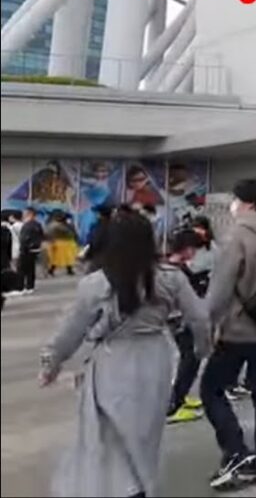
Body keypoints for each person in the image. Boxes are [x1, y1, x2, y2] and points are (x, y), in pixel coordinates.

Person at [40, 209, 210, 497]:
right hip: (156, 359)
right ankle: (143, 485)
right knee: (147, 434)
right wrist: (202, 348)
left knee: (110, 437)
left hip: (112, 362)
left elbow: (72, 330)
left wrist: (51, 363)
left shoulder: (95, 283)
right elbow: (200, 319)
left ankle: (123, 489)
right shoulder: (171, 278)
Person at [201, 178, 256, 490]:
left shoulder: (236, 236)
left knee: (210, 389)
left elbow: (219, 291)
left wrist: (206, 324)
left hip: (238, 331)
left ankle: (236, 451)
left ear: (249, 204)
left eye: (236, 199)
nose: (233, 205)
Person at [166, 228, 213, 425]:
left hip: (178, 318)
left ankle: (179, 397)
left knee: (189, 360)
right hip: (180, 319)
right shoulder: (175, 270)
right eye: (193, 248)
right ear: (185, 248)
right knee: (189, 359)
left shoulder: (174, 267)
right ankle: (174, 404)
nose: (195, 253)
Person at [18, 207, 45, 295]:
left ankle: (21, 287)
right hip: (35, 249)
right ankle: (30, 286)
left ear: (30, 214)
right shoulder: (38, 224)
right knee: (31, 269)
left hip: (26, 250)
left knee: (22, 269)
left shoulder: (27, 225)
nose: (23, 215)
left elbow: (24, 239)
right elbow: (42, 236)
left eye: (25, 213)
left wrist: (22, 249)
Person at [46, 211, 79, 277]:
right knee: (58, 259)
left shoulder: (54, 224)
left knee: (66, 258)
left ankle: (69, 270)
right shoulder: (58, 225)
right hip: (61, 243)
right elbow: (70, 233)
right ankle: (51, 270)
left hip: (64, 243)